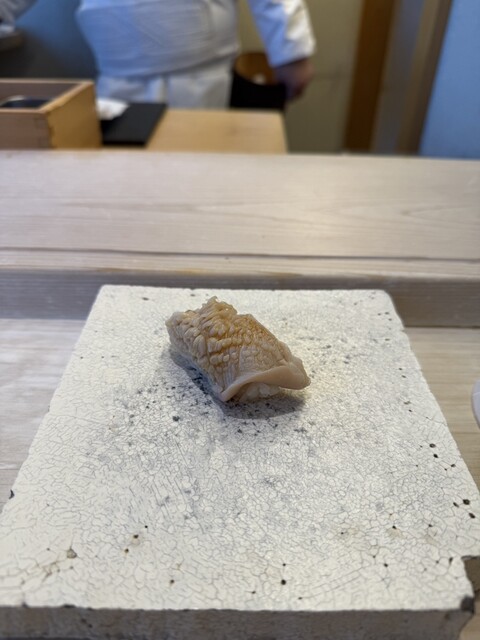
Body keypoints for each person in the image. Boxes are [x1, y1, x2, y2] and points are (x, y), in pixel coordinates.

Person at [0, 0, 315, 107]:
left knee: (200, 174)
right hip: (117, 81)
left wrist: (290, 50)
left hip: (202, 78)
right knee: (124, 174)